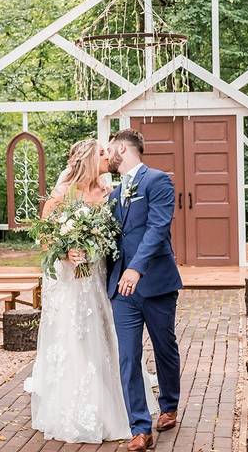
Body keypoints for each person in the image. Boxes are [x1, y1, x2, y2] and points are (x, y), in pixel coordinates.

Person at [25, 139, 155, 444]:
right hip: (70, 281)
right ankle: (76, 405)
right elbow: (45, 240)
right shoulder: (61, 195)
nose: (107, 156)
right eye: (101, 152)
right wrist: (64, 253)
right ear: (86, 158)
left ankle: (118, 401)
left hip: (97, 276)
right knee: (74, 336)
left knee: (101, 332)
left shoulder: (109, 192)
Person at [105, 129, 183, 452]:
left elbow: (157, 227)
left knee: (164, 346)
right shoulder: (111, 195)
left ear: (123, 148)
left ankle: (168, 405)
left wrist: (136, 268)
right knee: (128, 356)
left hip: (155, 282)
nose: (107, 155)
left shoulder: (157, 181)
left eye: (110, 149)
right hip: (121, 289)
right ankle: (140, 428)